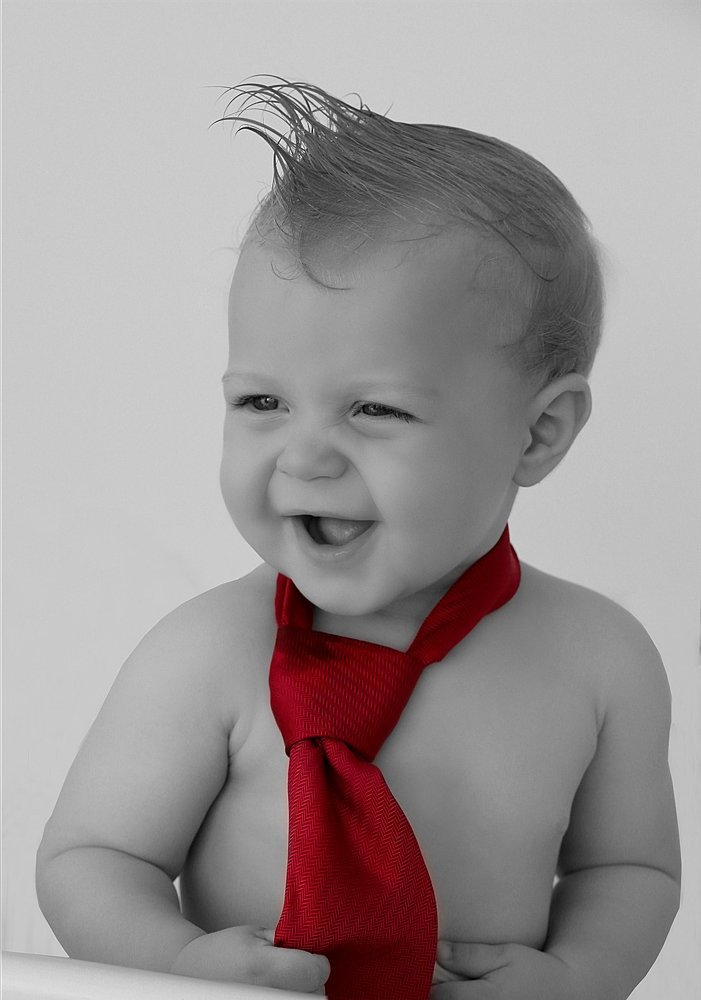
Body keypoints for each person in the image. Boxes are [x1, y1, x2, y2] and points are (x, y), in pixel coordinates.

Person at [36, 79, 680, 999]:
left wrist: (577, 977)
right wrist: (175, 963)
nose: (303, 457)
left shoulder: (598, 659)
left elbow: (628, 869)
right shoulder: (206, 652)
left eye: (374, 409)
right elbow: (94, 856)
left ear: (537, 434)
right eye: (262, 401)